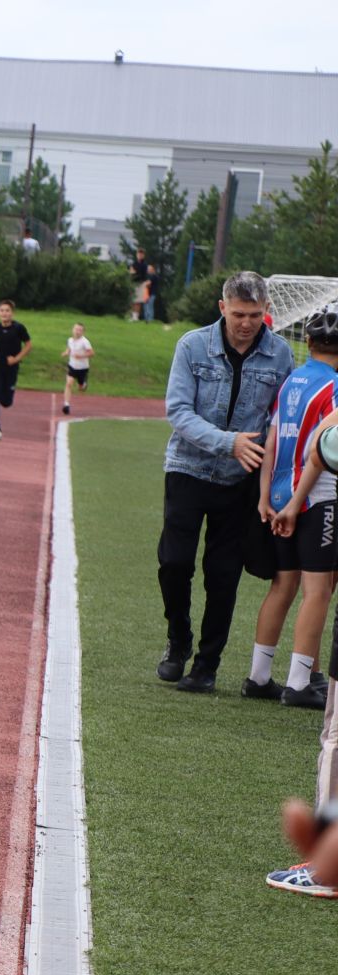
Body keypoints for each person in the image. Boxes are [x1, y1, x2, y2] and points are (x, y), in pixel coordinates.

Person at [155, 271, 296, 692]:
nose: (246, 323)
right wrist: (227, 442)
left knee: (223, 574)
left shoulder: (280, 355)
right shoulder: (192, 345)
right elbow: (178, 412)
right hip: (187, 469)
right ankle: (177, 640)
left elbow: (279, 421)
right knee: (174, 562)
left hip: (240, 481)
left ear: (266, 312)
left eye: (255, 314)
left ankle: (206, 666)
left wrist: (271, 478)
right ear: (222, 308)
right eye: (238, 314)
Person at [255, 304, 338, 709]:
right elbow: (320, 453)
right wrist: (297, 502)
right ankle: (300, 683)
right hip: (316, 498)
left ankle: (258, 675)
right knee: (318, 590)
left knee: (282, 585)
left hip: (278, 496)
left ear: (307, 341)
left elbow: (272, 441)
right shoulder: (335, 387)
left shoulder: (293, 381)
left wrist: (266, 496)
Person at [0, 300, 31, 440]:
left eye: (7, 310)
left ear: (12, 313)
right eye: (2, 310)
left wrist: (16, 359)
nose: (4, 313)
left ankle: (7, 396)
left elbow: (28, 345)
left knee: (6, 402)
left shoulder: (19, 328)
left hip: (12, 369)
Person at [61, 323, 94, 415]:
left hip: (83, 368)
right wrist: (66, 353)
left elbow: (91, 353)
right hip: (72, 366)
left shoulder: (85, 342)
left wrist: (81, 356)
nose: (77, 331)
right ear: (73, 330)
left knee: (81, 388)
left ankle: (83, 384)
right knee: (69, 383)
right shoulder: (70, 340)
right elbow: (69, 349)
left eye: (80, 330)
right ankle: (66, 405)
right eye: (76, 329)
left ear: (83, 332)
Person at [129, 249, 152, 321]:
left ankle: (136, 316)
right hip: (133, 283)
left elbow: (141, 274)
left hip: (141, 283)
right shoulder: (134, 264)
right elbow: (131, 272)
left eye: (141, 254)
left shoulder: (144, 265)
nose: (140, 256)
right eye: (139, 254)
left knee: (138, 301)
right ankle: (133, 315)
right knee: (133, 300)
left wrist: (135, 272)